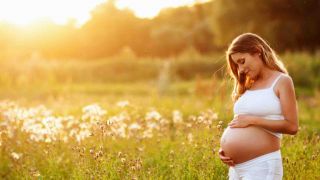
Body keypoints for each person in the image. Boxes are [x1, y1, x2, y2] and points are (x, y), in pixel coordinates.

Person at [219, 33, 299, 179]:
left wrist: (252, 120)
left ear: (257, 51)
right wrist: (225, 150)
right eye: (237, 65)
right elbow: (240, 123)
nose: (240, 69)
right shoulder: (248, 85)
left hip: (262, 166)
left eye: (242, 61)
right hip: (236, 168)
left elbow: (292, 127)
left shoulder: (282, 81)